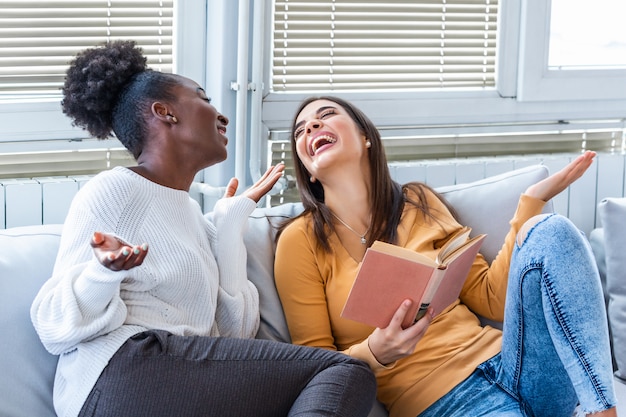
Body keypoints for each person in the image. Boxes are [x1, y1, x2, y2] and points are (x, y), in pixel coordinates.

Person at [30, 43, 377, 417]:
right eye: (204, 98)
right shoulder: (118, 189)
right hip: (120, 374)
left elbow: (233, 336)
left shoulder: (194, 216)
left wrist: (229, 224)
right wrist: (102, 272)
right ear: (165, 113)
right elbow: (53, 325)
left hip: (173, 380)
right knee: (344, 370)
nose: (221, 115)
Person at [274, 95, 619, 417]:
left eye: (326, 116)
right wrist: (377, 351)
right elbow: (317, 365)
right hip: (446, 401)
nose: (311, 128)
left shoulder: (416, 202)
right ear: (308, 170)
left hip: (516, 362)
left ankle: (603, 408)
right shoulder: (299, 241)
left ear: (365, 137)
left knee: (550, 230)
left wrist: (529, 203)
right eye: (301, 131)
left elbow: (492, 299)